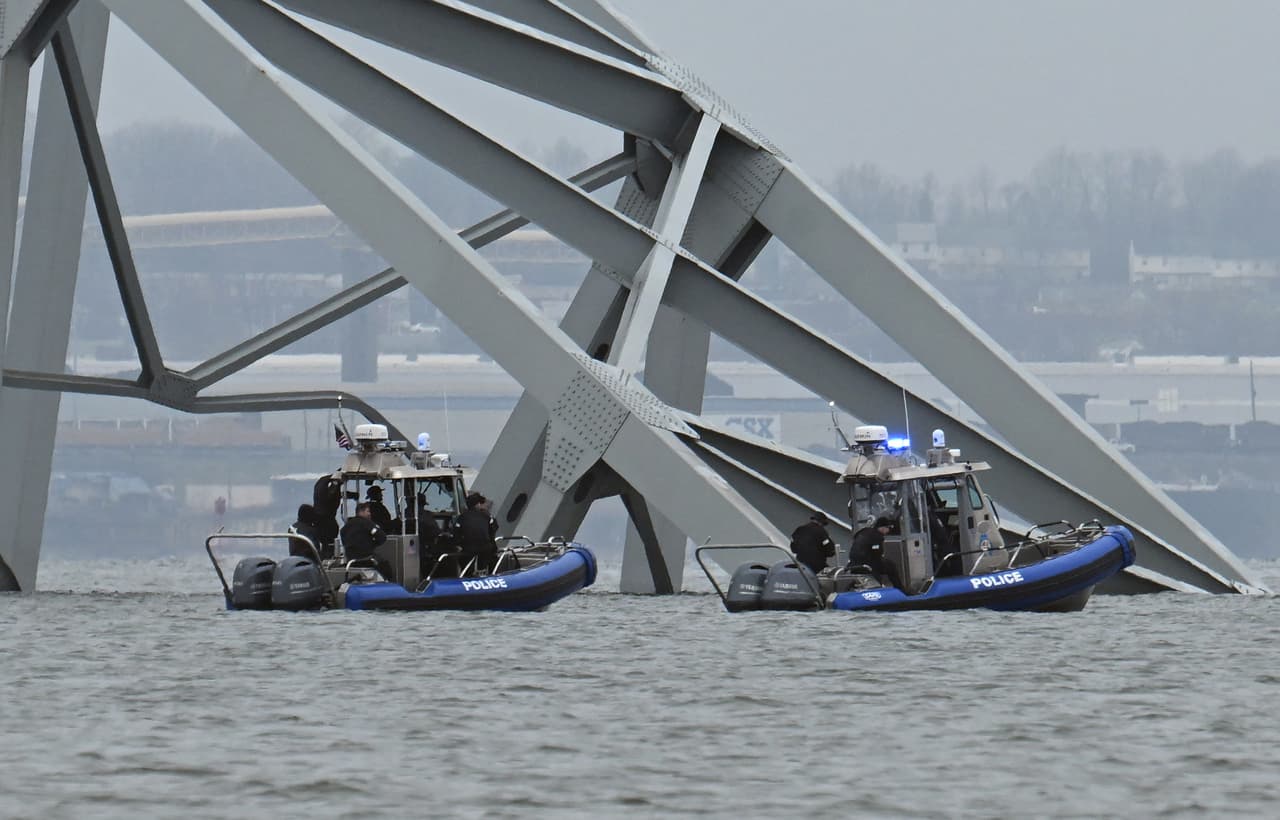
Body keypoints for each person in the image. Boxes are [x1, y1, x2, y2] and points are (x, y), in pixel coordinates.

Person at [341, 502, 392, 579]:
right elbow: (382, 537)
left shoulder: (345, 527)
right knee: (385, 566)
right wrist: (373, 544)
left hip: (351, 560)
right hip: (367, 558)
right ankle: (388, 582)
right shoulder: (367, 523)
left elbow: (344, 541)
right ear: (361, 511)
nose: (369, 514)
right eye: (368, 511)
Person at [848, 516, 901, 589]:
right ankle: (899, 589)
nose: (888, 531)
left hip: (853, 564)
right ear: (883, 528)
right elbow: (876, 554)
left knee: (884, 564)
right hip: (866, 564)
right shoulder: (877, 536)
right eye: (888, 528)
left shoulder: (863, 532)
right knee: (891, 566)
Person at [455, 492, 498, 575]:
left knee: (464, 561)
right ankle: (490, 574)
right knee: (491, 555)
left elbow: (456, 532)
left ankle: (467, 575)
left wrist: (459, 543)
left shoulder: (462, 517)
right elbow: (494, 528)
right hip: (485, 547)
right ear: (477, 504)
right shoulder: (486, 516)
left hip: (469, 547)